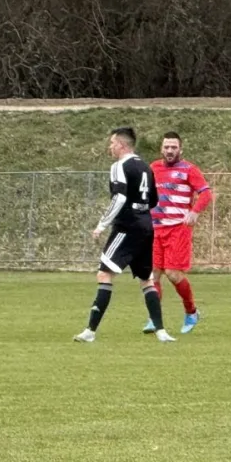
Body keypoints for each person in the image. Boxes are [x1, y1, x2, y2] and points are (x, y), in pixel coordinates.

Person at [75, 127, 177, 344]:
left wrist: (102, 224)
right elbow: (153, 200)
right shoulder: (146, 167)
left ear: (121, 145)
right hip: (146, 226)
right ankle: (161, 331)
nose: (110, 147)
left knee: (104, 275)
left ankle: (90, 331)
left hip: (127, 226)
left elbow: (119, 198)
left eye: (112, 143)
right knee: (147, 280)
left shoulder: (119, 166)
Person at [142, 132, 210, 335]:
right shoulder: (153, 168)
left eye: (174, 147)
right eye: (166, 147)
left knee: (173, 273)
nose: (170, 150)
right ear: (161, 149)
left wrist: (195, 212)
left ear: (180, 149)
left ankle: (191, 312)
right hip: (155, 229)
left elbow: (206, 193)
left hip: (178, 229)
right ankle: (154, 318)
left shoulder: (189, 169)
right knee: (153, 274)